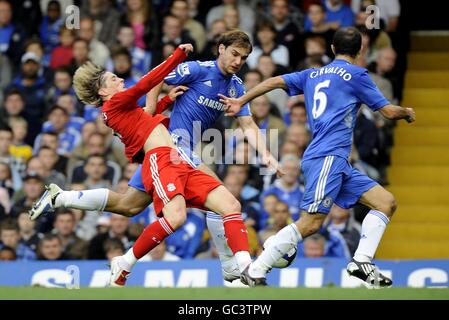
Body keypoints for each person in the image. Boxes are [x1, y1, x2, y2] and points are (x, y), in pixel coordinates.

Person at [31, 31, 282, 284]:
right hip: (172, 150)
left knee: (128, 206)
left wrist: (267, 155)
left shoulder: (236, 86)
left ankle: (61, 197)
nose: (238, 61)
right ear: (220, 49)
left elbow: (248, 123)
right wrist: (176, 58)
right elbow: (151, 80)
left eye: (244, 57)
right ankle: (230, 266)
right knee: (210, 199)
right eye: (235, 54)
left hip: (164, 153)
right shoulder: (196, 69)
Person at [219, 27, 416, 287]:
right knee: (311, 224)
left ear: (332, 49)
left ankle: (362, 261)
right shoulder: (357, 74)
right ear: (360, 51)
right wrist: (407, 112)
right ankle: (257, 268)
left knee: (385, 202)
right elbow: (389, 112)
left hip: (337, 161)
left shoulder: (312, 74)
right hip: (326, 157)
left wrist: (242, 98)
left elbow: (274, 81)